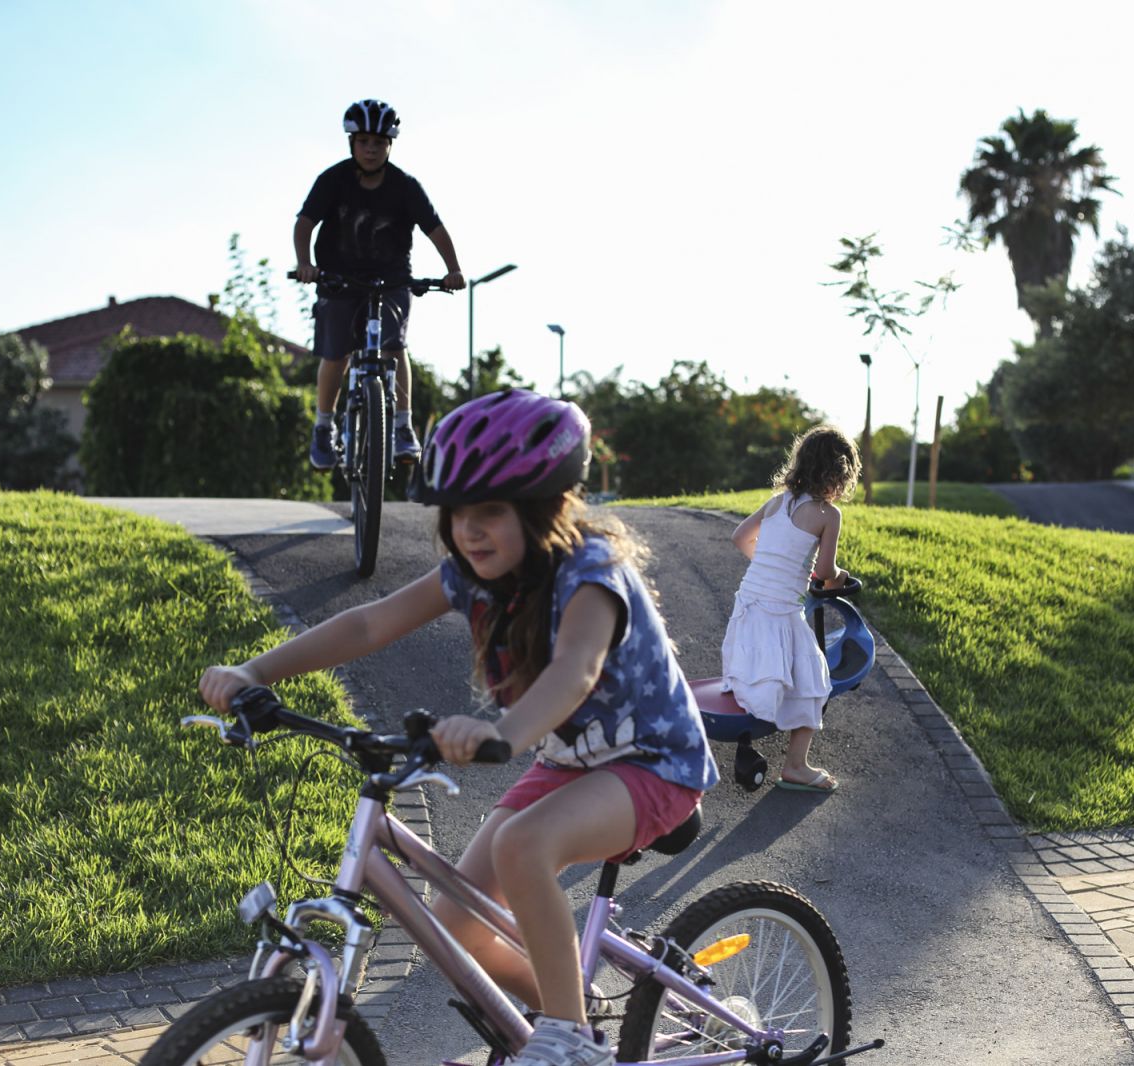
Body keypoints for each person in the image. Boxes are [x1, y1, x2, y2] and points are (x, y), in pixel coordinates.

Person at [199, 389, 718, 1066]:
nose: (470, 531)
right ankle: (577, 1014)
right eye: (458, 515)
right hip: (572, 760)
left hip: (654, 763)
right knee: (456, 922)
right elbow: (369, 623)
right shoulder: (470, 575)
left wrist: (500, 730)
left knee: (523, 846)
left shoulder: (593, 575)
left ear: (544, 510)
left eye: (491, 513)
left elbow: (576, 672)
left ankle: (570, 1041)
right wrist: (253, 671)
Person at [293, 98, 465, 471]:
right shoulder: (333, 180)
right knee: (335, 353)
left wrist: (454, 269)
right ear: (352, 143)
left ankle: (402, 426)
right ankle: (324, 427)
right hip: (339, 278)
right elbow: (305, 223)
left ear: (390, 145)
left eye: (379, 143)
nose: (371, 149)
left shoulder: (405, 186)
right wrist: (305, 264)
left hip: (392, 280)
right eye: (364, 142)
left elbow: (435, 229)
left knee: (394, 345)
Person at [720, 424, 861, 793]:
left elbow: (740, 536)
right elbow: (827, 573)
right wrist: (837, 576)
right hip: (781, 612)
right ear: (839, 475)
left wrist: (770, 567)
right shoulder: (828, 515)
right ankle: (796, 765)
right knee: (817, 681)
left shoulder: (778, 502)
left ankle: (758, 728)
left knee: (764, 673)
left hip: (749, 605)